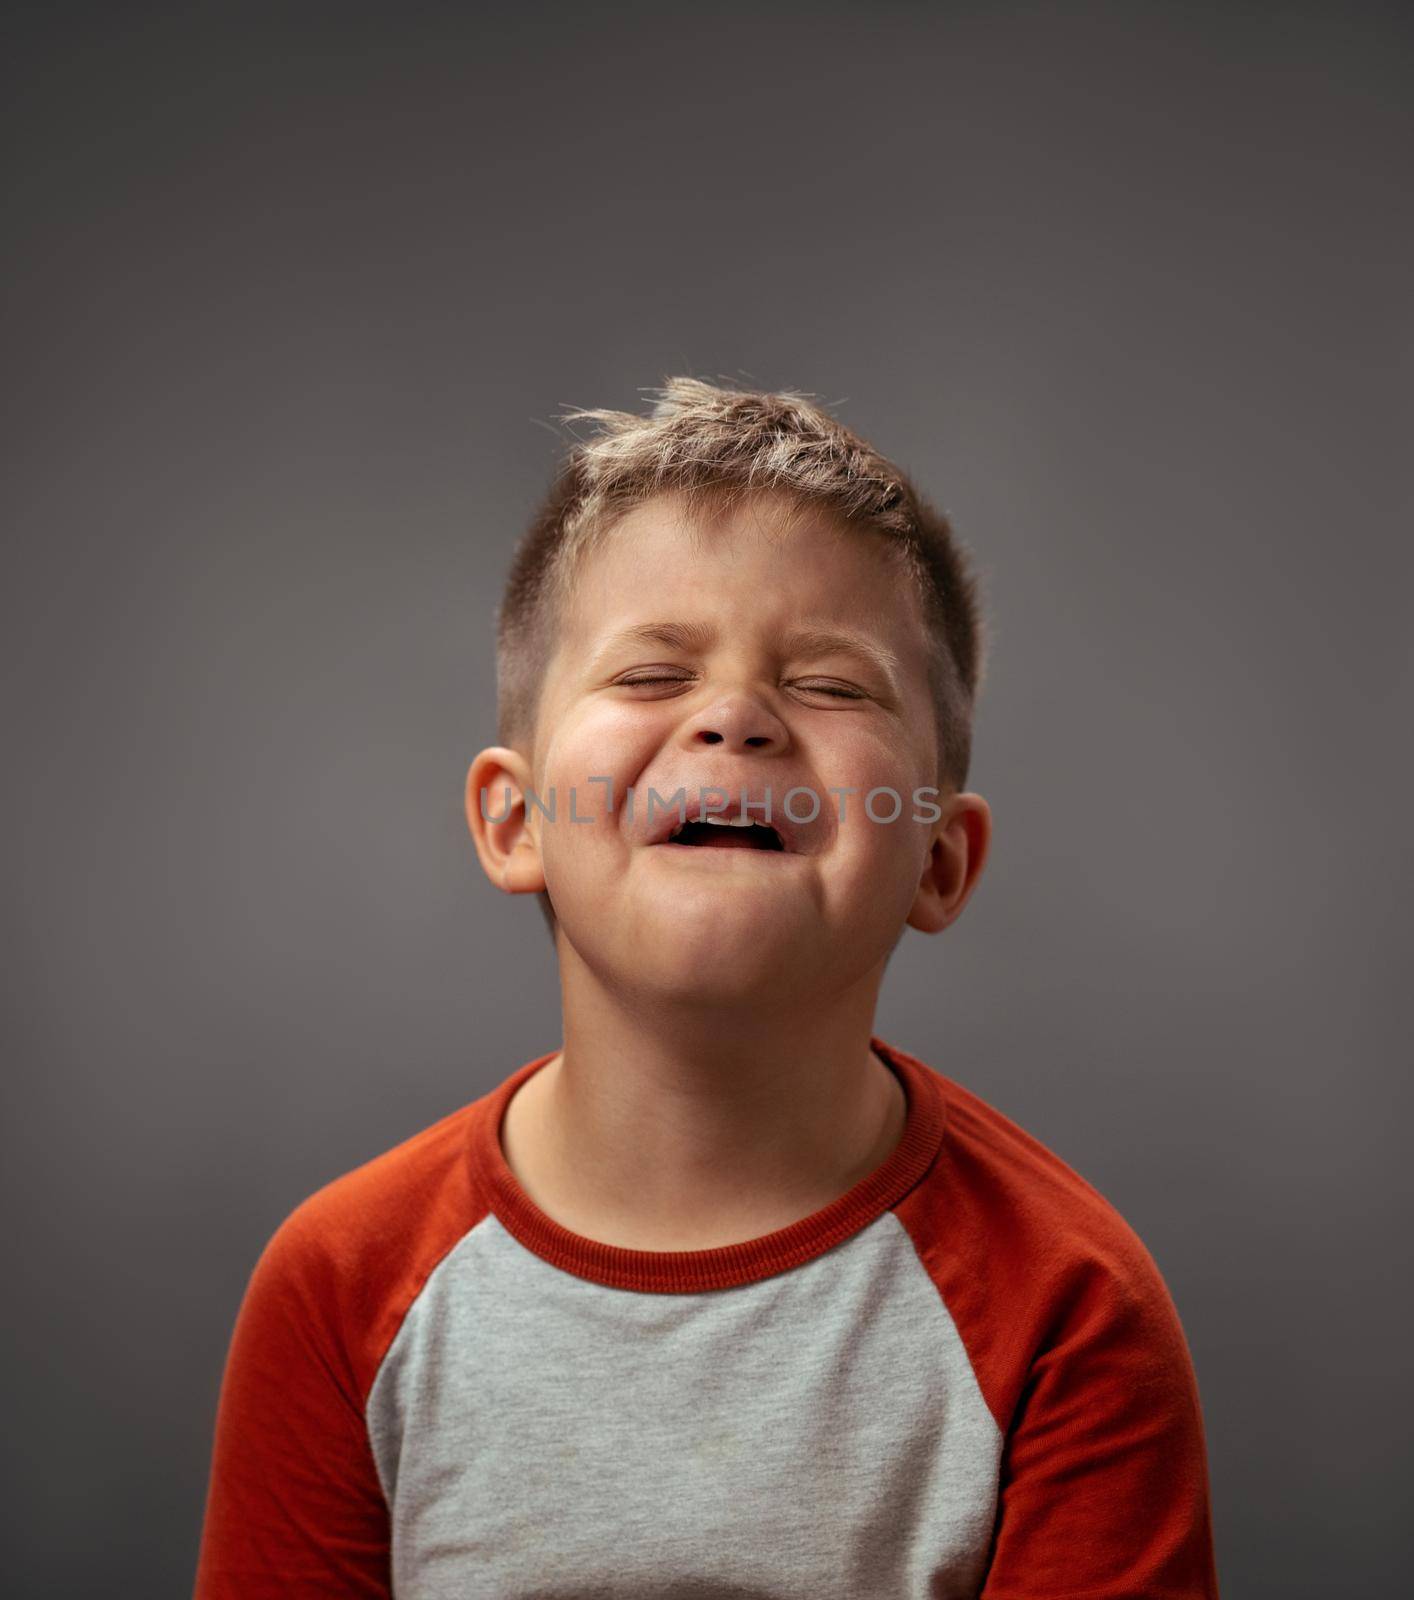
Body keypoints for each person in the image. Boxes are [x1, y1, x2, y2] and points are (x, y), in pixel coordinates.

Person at [192, 377, 1221, 1597]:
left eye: (832, 686)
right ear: (515, 821)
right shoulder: (341, 1287)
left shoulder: (1069, 1305)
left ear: (937, 861)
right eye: (648, 676)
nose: (735, 718)